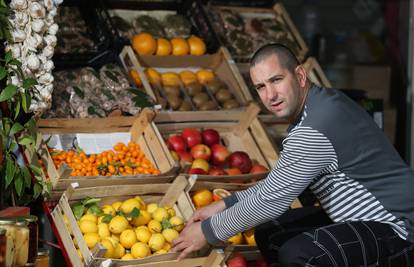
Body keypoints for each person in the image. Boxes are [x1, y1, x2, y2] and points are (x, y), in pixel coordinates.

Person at [171, 43, 414, 266]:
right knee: (270, 232)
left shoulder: (316, 126)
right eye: (261, 87)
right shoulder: (323, 101)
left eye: (276, 80)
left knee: (299, 254)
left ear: (299, 75)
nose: (270, 95)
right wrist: (224, 204)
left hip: (400, 229)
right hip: (362, 221)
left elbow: (272, 200)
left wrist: (207, 232)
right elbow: (276, 186)